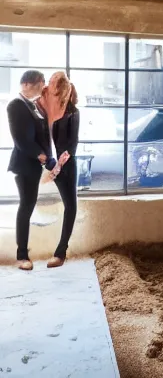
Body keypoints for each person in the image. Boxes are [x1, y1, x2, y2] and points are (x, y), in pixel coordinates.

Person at [7, 70, 56, 270]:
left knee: (29, 205)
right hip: (25, 164)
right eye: (39, 83)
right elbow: (21, 140)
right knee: (26, 207)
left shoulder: (33, 105)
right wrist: (43, 157)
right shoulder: (16, 105)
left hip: (36, 164)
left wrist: (49, 157)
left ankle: (24, 253)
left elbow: (42, 134)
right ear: (26, 84)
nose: (41, 87)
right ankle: (22, 256)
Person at [36, 72, 80, 268]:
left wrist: (58, 168)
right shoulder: (51, 110)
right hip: (55, 163)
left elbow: (72, 146)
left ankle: (60, 253)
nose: (50, 85)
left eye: (54, 83)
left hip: (68, 166)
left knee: (70, 207)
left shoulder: (73, 112)